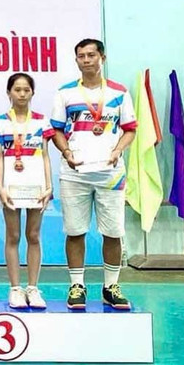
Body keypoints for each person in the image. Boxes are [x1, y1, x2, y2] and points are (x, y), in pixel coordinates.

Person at [50, 38, 136, 311]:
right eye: (81, 56)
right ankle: (77, 286)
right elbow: (56, 131)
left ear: (102, 58)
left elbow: (130, 129)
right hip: (75, 172)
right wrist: (66, 152)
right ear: (76, 61)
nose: (86, 60)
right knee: (75, 231)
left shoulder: (119, 93)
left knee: (113, 231)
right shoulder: (65, 94)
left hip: (110, 172)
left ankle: (111, 286)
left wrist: (117, 150)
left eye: (91, 55)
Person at [0, 73, 54, 309]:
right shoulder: (0, 121)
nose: (22, 94)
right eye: (17, 90)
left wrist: (49, 186)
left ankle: (33, 288)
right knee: (13, 236)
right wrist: (0, 187)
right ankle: (15, 288)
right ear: (9, 93)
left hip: (36, 187)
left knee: (34, 236)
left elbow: (45, 155)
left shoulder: (41, 121)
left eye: (27, 90)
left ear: (33, 93)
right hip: (11, 189)